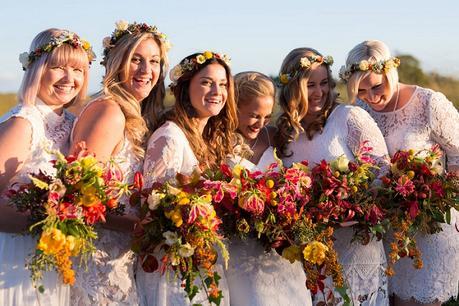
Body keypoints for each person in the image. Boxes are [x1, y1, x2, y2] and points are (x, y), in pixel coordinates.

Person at [342, 39, 459, 306]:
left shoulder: (429, 103)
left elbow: (458, 151)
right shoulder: (360, 111)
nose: (371, 97)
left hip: (431, 228)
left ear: (390, 73)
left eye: (376, 86)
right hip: (386, 232)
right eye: (360, 90)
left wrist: (446, 193)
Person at [276, 47, 390, 306]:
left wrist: (352, 206)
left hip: (356, 247)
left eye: (324, 83)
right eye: (310, 84)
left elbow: (382, 172)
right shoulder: (283, 132)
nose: (319, 92)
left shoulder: (349, 117)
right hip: (310, 255)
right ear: (292, 87)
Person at [70, 20, 169, 305]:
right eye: (135, 60)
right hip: (96, 263)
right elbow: (78, 198)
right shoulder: (109, 112)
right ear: (116, 62)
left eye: (153, 61)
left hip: (121, 259)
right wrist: (139, 226)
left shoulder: (133, 114)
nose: (145, 70)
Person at [0, 28, 93, 306]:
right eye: (58, 67)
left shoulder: (72, 124)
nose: (69, 78)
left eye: (78, 69)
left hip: (53, 261)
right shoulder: (22, 123)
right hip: (15, 260)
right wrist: (49, 217)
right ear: (37, 70)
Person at [137, 51, 239, 306]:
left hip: (204, 263)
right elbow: (150, 210)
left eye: (223, 84)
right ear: (185, 88)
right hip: (174, 272)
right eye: (206, 82)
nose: (217, 91)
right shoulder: (169, 137)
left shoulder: (211, 140)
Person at [224, 71, 313, 306]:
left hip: (278, 249)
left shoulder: (273, 136)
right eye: (254, 115)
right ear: (234, 108)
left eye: (266, 116)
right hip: (240, 248)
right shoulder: (218, 141)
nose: (261, 123)